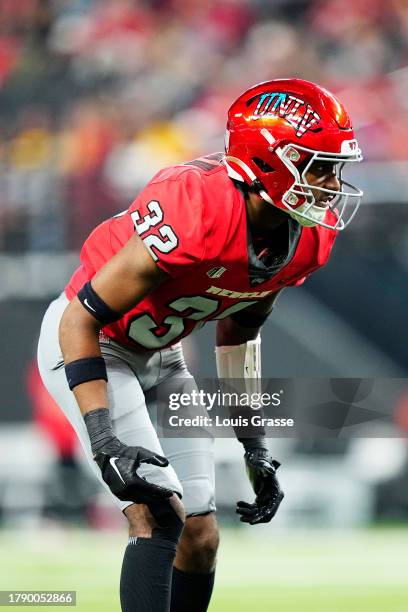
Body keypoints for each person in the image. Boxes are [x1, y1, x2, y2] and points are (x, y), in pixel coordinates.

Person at [37, 78, 363, 612]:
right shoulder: (197, 208)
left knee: (201, 536)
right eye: (317, 165)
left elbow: (240, 333)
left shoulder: (306, 238)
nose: (331, 184)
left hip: (163, 358)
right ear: (266, 162)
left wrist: (255, 447)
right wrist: (102, 437)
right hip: (95, 345)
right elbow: (79, 320)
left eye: (335, 167)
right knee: (156, 512)